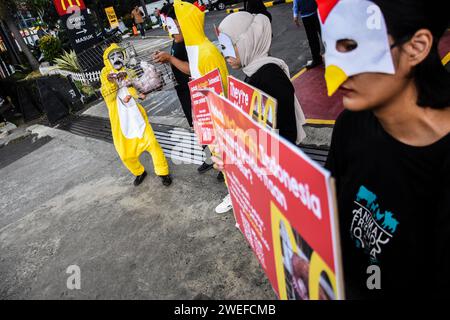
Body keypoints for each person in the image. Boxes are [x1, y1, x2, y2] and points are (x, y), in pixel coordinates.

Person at [319, 0, 450, 298]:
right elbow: (321, 210)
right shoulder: (350, 124)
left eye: (351, 45)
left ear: (416, 47)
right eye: (330, 46)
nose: (334, 69)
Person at [213, 12, 307, 213]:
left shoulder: (270, 78)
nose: (225, 55)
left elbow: (284, 138)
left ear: (247, 41)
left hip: (279, 175)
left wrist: (241, 160)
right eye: (222, 48)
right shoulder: (254, 73)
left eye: (228, 46)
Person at [100, 43, 172, 187]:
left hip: (136, 115)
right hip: (121, 122)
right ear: (108, 60)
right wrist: (112, 81)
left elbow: (135, 88)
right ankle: (139, 172)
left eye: (119, 55)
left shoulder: (128, 71)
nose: (117, 59)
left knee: (152, 144)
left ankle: (163, 172)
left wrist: (139, 94)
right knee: (126, 154)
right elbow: (108, 96)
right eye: (112, 57)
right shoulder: (105, 73)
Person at [174, 0, 230, 176]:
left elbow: (222, 89)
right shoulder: (194, 49)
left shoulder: (206, 51)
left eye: (177, 24)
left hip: (218, 116)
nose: (174, 30)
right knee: (217, 156)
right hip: (207, 113)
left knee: (226, 159)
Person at [154, 3, 193, 128]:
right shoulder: (176, 40)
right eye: (167, 25)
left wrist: (170, 58)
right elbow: (176, 59)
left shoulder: (190, 43)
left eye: (173, 26)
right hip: (183, 91)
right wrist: (166, 58)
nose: (170, 30)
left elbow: (193, 69)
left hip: (193, 93)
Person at [293, 0, 323, 69]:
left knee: (324, 35)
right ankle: (317, 59)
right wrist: (295, 14)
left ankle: (332, 56)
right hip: (305, 16)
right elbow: (295, 1)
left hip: (316, 12)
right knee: (312, 39)